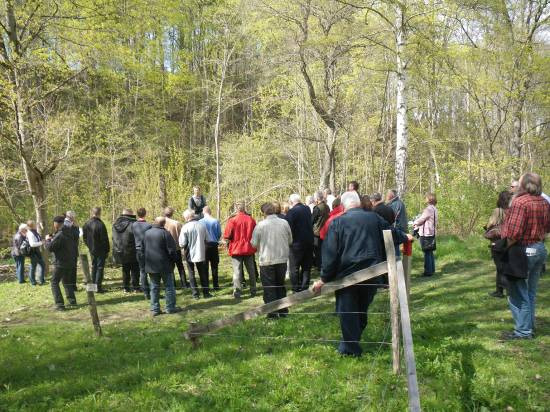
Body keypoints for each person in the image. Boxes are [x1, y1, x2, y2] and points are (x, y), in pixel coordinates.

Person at [312, 191, 410, 356]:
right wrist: (405, 236)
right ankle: (350, 345)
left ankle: (350, 350)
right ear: (358, 203)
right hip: (372, 272)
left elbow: (329, 253)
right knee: (361, 309)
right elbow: (392, 233)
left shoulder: (338, 223)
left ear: (343, 206)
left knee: (348, 313)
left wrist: (324, 277)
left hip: (347, 275)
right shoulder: (374, 218)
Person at [500, 173, 550, 340]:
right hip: (539, 248)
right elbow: (548, 228)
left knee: (518, 292)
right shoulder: (543, 201)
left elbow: (513, 233)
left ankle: (523, 331)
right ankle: (528, 326)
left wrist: (503, 248)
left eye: (519, 183)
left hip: (523, 249)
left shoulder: (520, 202)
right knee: (530, 292)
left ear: (525, 185)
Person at [251, 202, 292, 318]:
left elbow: (253, 244)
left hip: (266, 260)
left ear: (263, 213)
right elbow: (290, 240)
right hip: (281, 259)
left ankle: (273, 313)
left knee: (269, 288)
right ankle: (283, 311)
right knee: (280, 285)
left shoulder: (260, 225)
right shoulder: (284, 223)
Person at [143, 217, 181, 316]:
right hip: (164, 265)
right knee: (169, 287)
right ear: (163, 224)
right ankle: (170, 307)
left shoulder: (147, 233)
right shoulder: (166, 233)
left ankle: (155, 309)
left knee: (154, 287)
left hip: (151, 265)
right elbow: (172, 251)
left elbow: (143, 248)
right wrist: (174, 260)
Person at [223, 202, 257, 298]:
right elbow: (256, 232)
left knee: (237, 271)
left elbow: (226, 235)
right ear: (244, 209)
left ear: (237, 210)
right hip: (248, 248)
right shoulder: (251, 219)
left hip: (236, 249)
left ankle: (237, 291)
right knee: (251, 270)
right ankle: (253, 290)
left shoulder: (232, 220)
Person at [45, 216, 78, 310]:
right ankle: (72, 301)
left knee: (54, 282)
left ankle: (60, 305)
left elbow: (50, 248)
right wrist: (53, 237)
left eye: (54, 223)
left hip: (61, 262)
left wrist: (47, 240)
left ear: (57, 224)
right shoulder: (69, 231)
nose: (53, 225)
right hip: (70, 261)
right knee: (66, 282)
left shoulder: (60, 234)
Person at [484, 191, 513, 298]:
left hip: (498, 241)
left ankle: (505, 290)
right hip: (509, 240)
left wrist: (487, 227)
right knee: (505, 265)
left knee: (500, 267)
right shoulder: (512, 210)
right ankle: (500, 290)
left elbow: (491, 223)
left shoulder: (498, 210)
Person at [180, 209, 211, 299]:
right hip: (201, 250)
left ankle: (195, 294)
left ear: (187, 217)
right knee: (202, 272)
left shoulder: (185, 227)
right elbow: (208, 239)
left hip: (189, 252)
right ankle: (206, 292)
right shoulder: (202, 225)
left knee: (191, 272)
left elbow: (182, 243)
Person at [286, 194, 314, 292]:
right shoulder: (307, 209)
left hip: (296, 243)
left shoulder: (291, 212)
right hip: (309, 241)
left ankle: (296, 287)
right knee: (306, 265)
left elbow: (289, 228)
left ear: (291, 201)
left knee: (294, 267)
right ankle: (305, 285)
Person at [82, 207, 110, 293]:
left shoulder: (86, 224)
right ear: (99, 213)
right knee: (99, 268)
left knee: (94, 267)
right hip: (100, 249)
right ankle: (97, 287)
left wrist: (90, 246)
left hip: (92, 249)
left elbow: (85, 238)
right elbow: (104, 239)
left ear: (92, 212)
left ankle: (93, 287)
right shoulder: (100, 224)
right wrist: (107, 250)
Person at [112, 208, 140, 293]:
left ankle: (126, 288)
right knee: (135, 269)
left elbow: (114, 238)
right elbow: (136, 237)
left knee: (125, 269)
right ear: (130, 214)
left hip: (119, 250)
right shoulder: (133, 223)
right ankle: (136, 287)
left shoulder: (115, 224)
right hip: (132, 250)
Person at [164, 207, 190, 289]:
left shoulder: (161, 222)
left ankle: (173, 284)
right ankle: (184, 283)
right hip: (176, 248)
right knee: (180, 266)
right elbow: (181, 236)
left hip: (166, 249)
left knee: (169, 267)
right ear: (172, 214)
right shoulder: (176, 223)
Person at [413, 193, 438, 277]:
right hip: (431, 232)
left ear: (429, 199)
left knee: (427, 252)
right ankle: (432, 269)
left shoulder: (428, 209)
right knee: (430, 251)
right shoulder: (435, 208)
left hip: (426, 233)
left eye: (426, 198)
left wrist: (414, 223)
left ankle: (428, 271)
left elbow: (422, 219)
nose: (425, 199)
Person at [200, 206, 222, 290]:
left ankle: (206, 286)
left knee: (205, 266)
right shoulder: (215, 221)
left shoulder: (200, 222)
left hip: (204, 245)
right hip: (213, 244)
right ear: (210, 212)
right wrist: (216, 238)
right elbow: (219, 233)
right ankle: (216, 285)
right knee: (214, 265)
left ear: (203, 212)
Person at [132, 208, 152, 300]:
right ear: (145, 214)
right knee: (151, 271)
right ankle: (152, 291)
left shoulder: (134, 225)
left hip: (138, 250)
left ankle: (146, 293)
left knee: (142, 271)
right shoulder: (149, 225)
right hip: (148, 250)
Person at [312, 191, 330, 270]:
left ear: (316, 199)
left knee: (317, 250)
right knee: (323, 249)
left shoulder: (317, 208)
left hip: (317, 232)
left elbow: (312, 220)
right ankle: (323, 264)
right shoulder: (327, 206)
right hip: (325, 230)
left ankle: (319, 266)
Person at [64, 211, 81, 291]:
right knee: (72, 269)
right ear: (71, 217)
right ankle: (72, 286)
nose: (75, 218)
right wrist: (76, 227)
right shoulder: (69, 224)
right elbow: (76, 236)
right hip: (71, 250)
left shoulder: (66, 223)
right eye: (74, 217)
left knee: (71, 269)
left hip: (69, 250)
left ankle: (71, 286)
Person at [25, 221, 46, 286]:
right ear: (30, 226)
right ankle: (33, 282)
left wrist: (40, 225)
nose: (35, 225)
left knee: (42, 265)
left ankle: (41, 280)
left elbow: (39, 225)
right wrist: (41, 243)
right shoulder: (30, 233)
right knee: (33, 267)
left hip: (36, 251)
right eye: (34, 225)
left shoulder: (34, 231)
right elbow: (32, 244)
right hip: (33, 252)